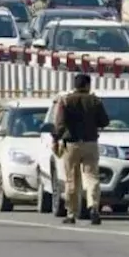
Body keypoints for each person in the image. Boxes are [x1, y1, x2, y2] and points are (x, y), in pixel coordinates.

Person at [52, 73, 110, 225]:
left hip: (71, 144)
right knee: (92, 177)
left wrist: (55, 139)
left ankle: (71, 213)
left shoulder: (66, 101)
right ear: (88, 85)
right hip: (90, 143)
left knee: (71, 179)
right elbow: (104, 121)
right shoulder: (95, 101)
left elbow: (60, 124)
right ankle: (94, 208)